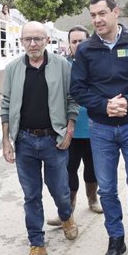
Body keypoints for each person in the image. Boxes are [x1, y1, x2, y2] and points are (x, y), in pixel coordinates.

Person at [70, 0, 128, 255]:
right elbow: (78, 89)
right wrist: (104, 106)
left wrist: (127, 102)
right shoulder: (86, 49)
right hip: (101, 128)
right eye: (93, 15)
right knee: (107, 188)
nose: (97, 19)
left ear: (115, 12)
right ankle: (115, 238)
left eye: (101, 13)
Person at [1, 21, 79, 255]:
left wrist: (69, 131)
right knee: (31, 195)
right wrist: (6, 140)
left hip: (53, 140)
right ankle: (37, 244)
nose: (32, 44)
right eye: (28, 40)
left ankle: (66, 216)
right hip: (24, 141)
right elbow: (5, 104)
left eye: (38, 39)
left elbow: (72, 100)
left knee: (59, 190)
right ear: (21, 42)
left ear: (47, 41)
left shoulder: (61, 65)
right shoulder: (13, 68)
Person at [47, 26, 102, 229]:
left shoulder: (98, 63)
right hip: (69, 128)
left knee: (92, 167)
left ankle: (93, 199)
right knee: (68, 169)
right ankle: (67, 210)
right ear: (68, 44)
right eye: (74, 41)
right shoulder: (62, 66)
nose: (78, 45)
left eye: (82, 41)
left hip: (95, 126)